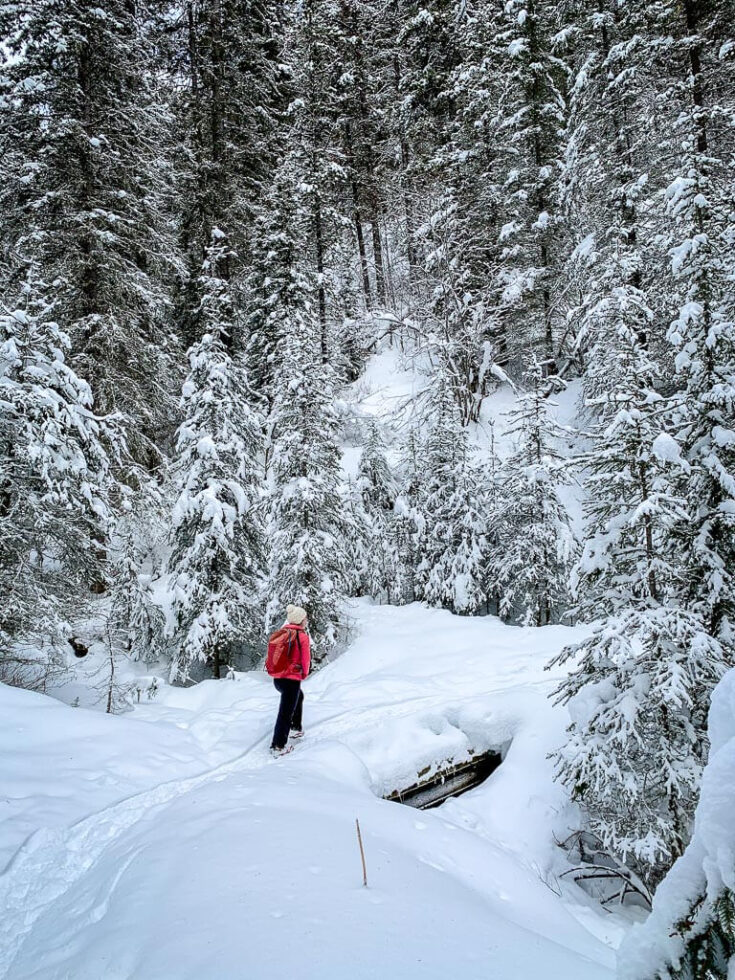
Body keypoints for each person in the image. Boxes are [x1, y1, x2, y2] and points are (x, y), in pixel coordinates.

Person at [270, 604, 311, 755]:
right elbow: (305, 660)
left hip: (278, 679)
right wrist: (304, 674)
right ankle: (278, 746)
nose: (306, 620)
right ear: (300, 620)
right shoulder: (302, 637)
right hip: (291, 680)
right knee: (285, 713)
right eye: (305, 618)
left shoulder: (283, 633)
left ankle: (295, 728)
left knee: (299, 696)